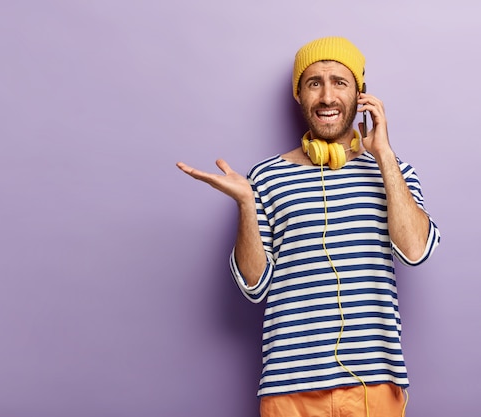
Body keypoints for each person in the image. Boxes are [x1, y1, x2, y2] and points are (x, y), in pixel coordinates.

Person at [176, 36, 440, 417]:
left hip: (375, 383)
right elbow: (253, 287)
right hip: (289, 388)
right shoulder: (264, 178)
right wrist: (246, 201)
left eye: (339, 82)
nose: (327, 96)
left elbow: (416, 252)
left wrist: (383, 154)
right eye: (314, 83)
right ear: (299, 96)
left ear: (361, 94)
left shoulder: (393, 172)